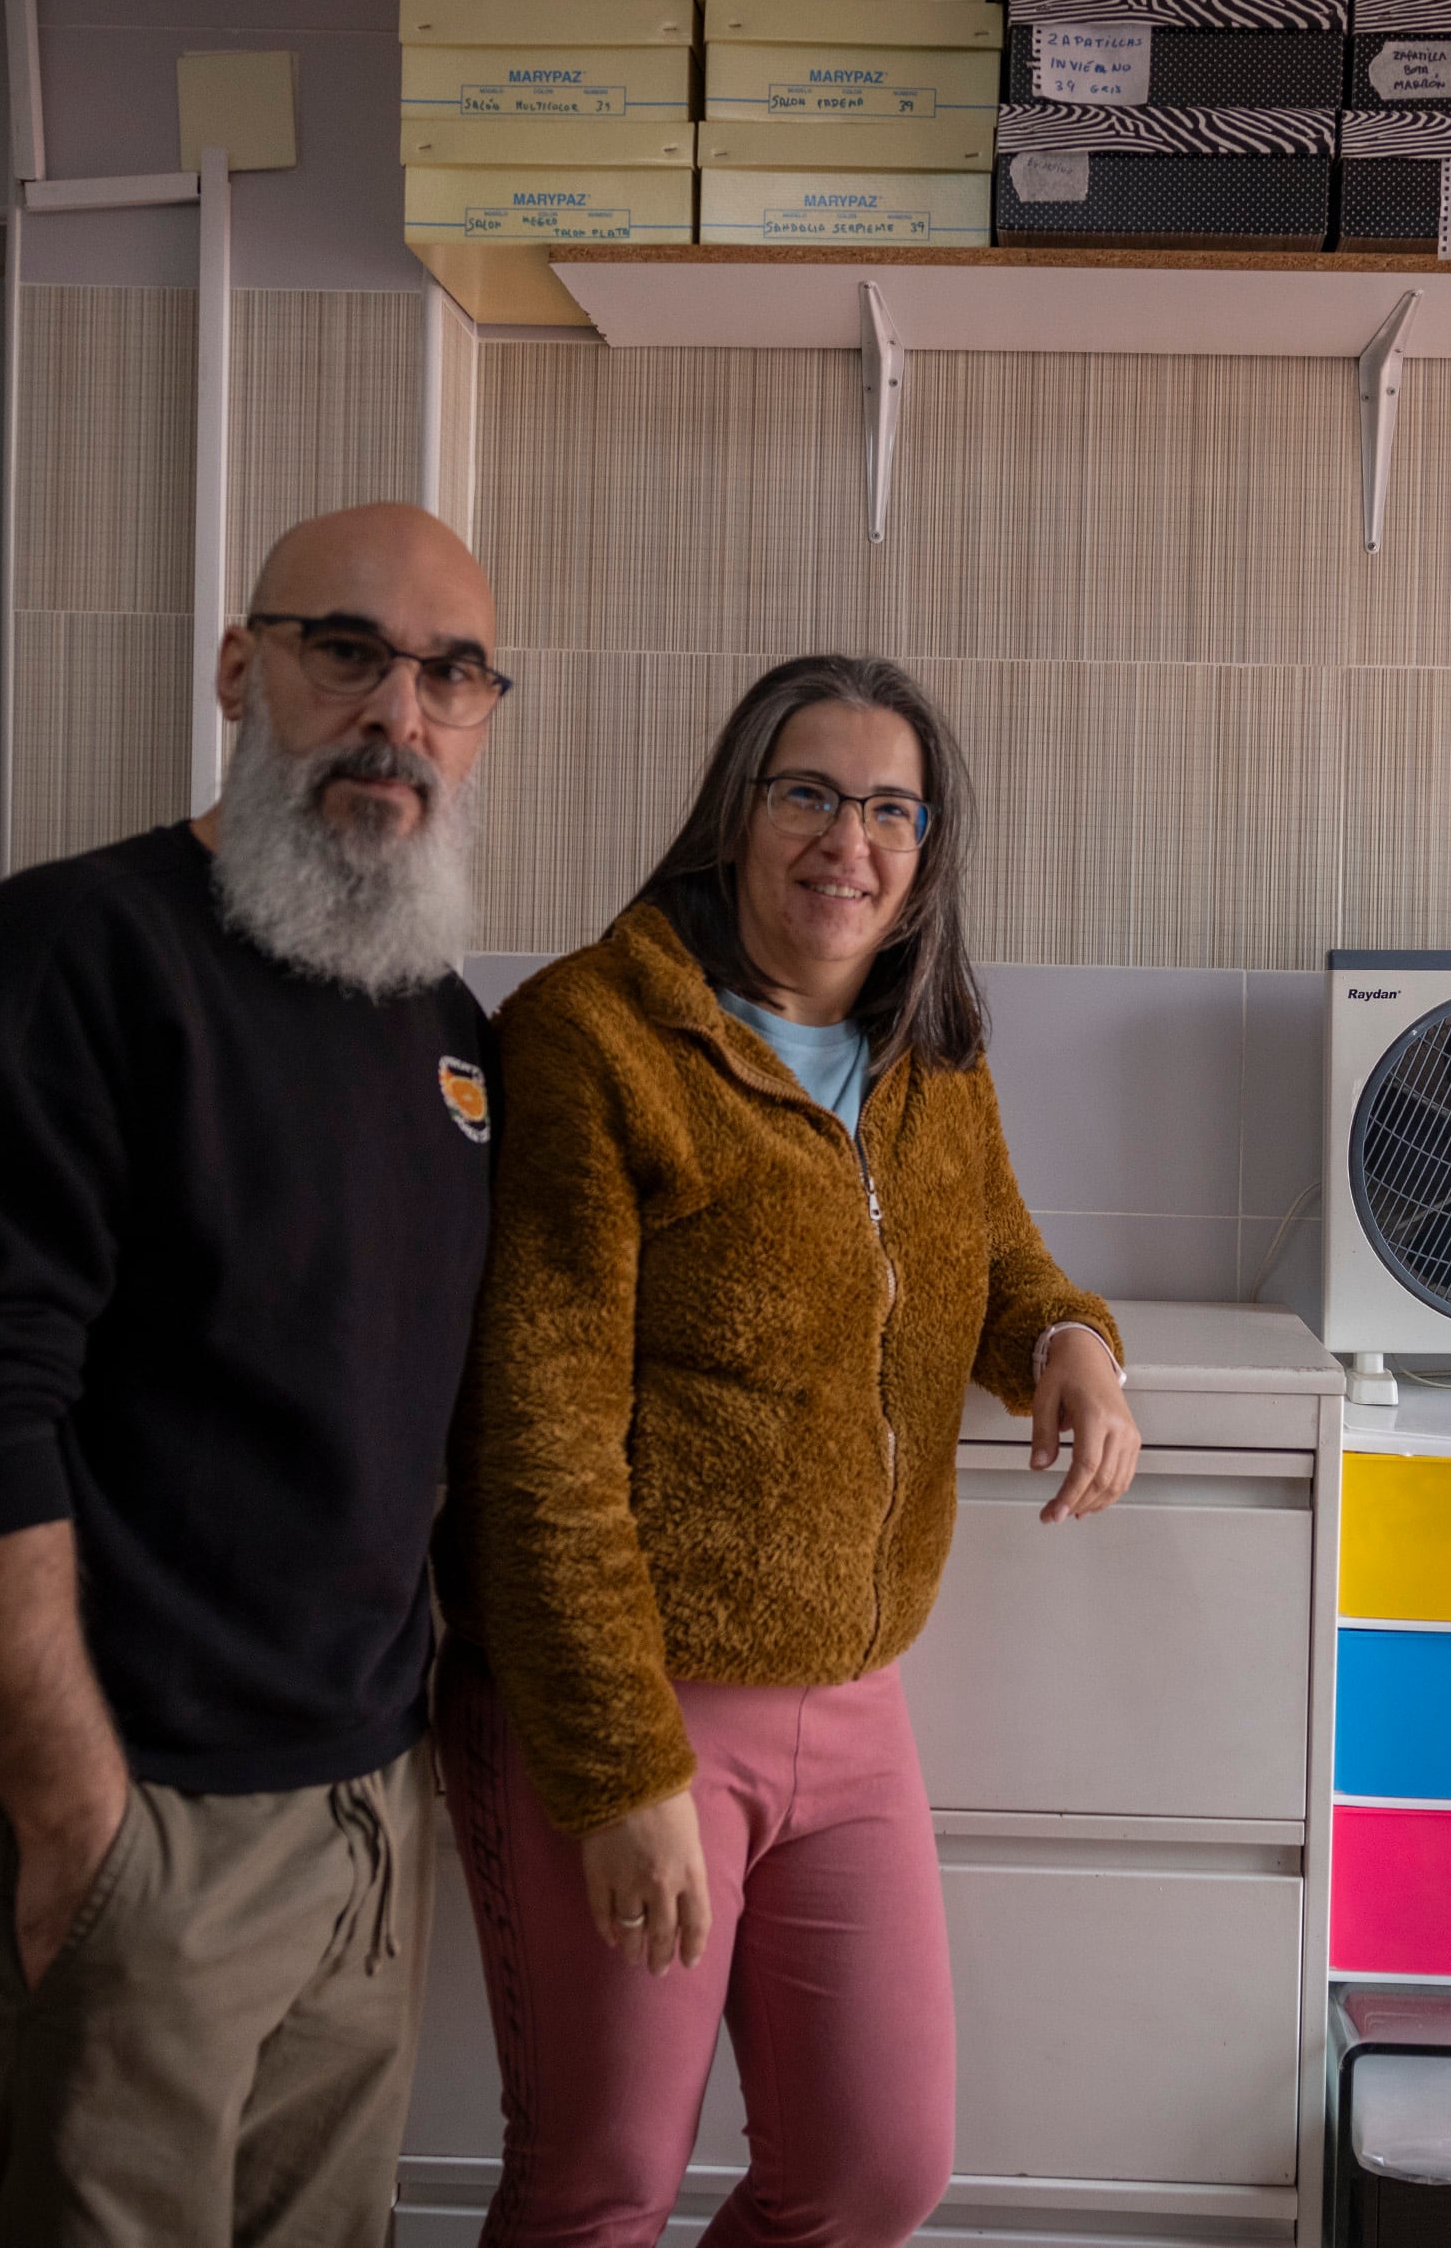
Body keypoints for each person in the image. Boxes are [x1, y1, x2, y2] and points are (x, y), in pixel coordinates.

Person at [0, 502, 507, 2248]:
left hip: (359, 1814)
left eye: (448, 673)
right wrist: (75, 1819)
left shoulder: (446, 1033)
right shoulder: (58, 963)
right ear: (240, 665)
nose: (396, 712)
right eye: (344, 648)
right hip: (135, 1814)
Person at [439, 653, 1144, 2248]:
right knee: (598, 2185)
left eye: (892, 808)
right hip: (628, 1700)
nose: (851, 840)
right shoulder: (592, 1040)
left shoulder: (931, 1058)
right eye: (810, 794)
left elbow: (1001, 1262)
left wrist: (1070, 1342)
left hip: (852, 1698)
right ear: (735, 816)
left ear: (928, 851)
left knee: (875, 2169)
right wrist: (619, 1768)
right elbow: (537, 1434)